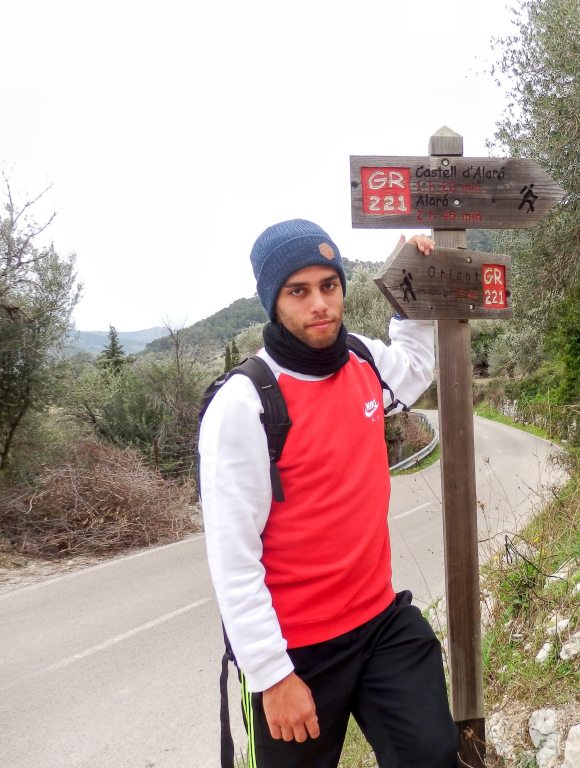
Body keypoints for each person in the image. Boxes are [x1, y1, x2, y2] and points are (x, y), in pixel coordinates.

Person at [199, 218, 457, 768]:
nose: (319, 303)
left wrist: (404, 283)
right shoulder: (244, 404)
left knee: (432, 753)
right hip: (296, 652)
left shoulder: (362, 359)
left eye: (329, 285)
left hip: (380, 621)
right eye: (299, 291)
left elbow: (412, 371)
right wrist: (271, 675)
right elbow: (232, 557)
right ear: (273, 301)